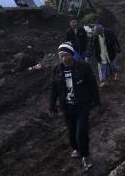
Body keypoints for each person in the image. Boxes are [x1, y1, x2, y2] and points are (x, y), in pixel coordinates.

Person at [50, 43, 100, 171]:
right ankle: (76, 149)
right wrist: (52, 105)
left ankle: (85, 156)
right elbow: (54, 89)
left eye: (66, 55)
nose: (63, 58)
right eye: (61, 55)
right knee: (71, 132)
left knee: (81, 132)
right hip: (67, 107)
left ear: (72, 55)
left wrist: (96, 101)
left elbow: (92, 85)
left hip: (82, 106)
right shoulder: (57, 70)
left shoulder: (83, 67)